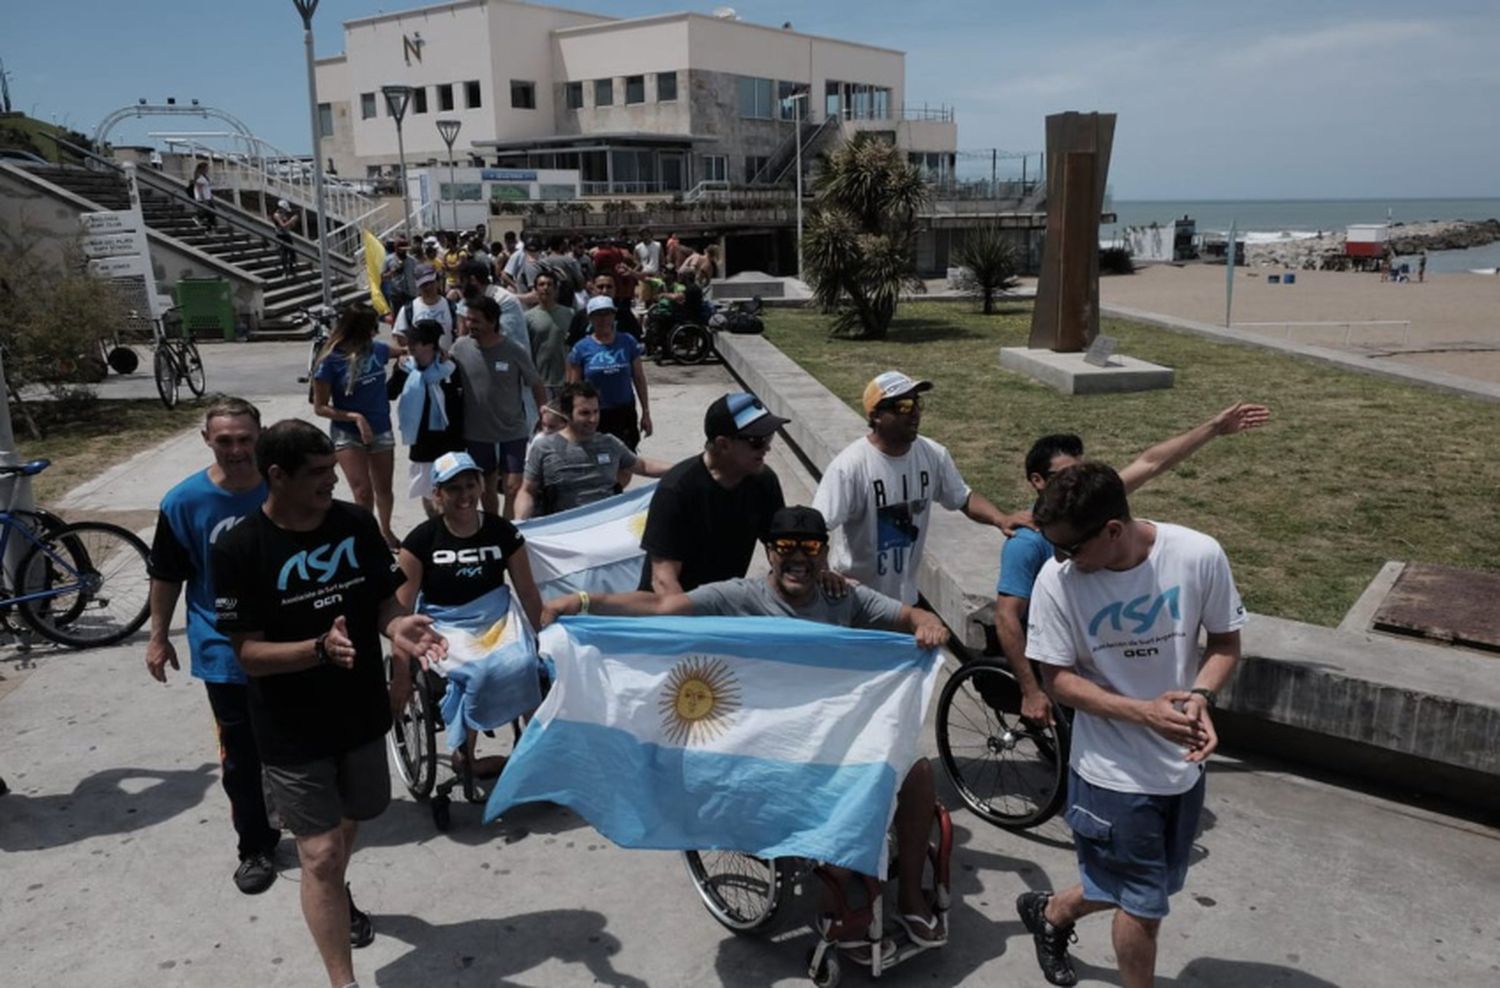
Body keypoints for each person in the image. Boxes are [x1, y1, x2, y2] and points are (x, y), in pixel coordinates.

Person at [543, 505, 951, 954]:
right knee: (840, 817)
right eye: (786, 548)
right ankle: (837, 899)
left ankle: (911, 894)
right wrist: (579, 602)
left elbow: (909, 616)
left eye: (811, 547)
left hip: (837, 737)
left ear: (824, 553)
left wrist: (926, 622)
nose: (799, 557)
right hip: (773, 746)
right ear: (769, 552)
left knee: (918, 775)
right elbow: (661, 604)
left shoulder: (843, 597)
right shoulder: (737, 596)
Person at [212, 419, 445, 988]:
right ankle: (344, 981)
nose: (333, 481)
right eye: (317, 474)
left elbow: (384, 606)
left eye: (331, 469)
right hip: (290, 727)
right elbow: (249, 655)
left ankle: (333, 882)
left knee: (347, 829)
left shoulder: (356, 524)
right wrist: (318, 649)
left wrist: (399, 630)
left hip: (360, 713)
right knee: (317, 854)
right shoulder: (241, 546)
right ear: (277, 476)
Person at [1016, 462, 1244, 988]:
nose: (1060, 559)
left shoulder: (1197, 555)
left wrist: (1201, 697)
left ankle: (1050, 913)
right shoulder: (1058, 581)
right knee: (1143, 905)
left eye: (1070, 547)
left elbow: (1226, 645)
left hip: (1181, 769)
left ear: (1113, 530)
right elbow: (1059, 680)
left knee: (1137, 885)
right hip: (1110, 774)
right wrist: (1144, 713)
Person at [997, 403, 1271, 724]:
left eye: (1078, 470)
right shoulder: (1029, 543)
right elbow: (1006, 616)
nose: (1062, 558)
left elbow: (1151, 462)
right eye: (1063, 475)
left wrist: (1213, 428)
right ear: (1037, 481)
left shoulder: (1091, 505)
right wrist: (1031, 690)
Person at [146, 398, 279, 894]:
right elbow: (167, 574)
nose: (237, 449)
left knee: (298, 744)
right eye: (225, 440)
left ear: (259, 436)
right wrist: (158, 638)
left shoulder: (281, 484)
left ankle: (312, 825)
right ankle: (256, 847)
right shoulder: (183, 503)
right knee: (241, 757)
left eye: (245, 439)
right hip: (223, 651)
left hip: (292, 643)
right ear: (207, 441)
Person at [812, 370, 1031, 605]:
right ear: (876, 416)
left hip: (905, 601)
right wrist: (824, 571)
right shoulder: (850, 467)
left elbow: (963, 497)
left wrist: (1001, 519)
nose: (915, 413)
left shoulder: (933, 455)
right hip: (855, 601)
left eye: (917, 403)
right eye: (904, 406)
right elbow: (815, 525)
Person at [396, 450, 544, 779]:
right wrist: (401, 668)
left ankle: (535, 753)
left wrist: (543, 637)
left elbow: (528, 591)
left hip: (497, 616)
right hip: (446, 622)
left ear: (480, 486)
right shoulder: (421, 541)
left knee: (526, 663)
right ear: (437, 493)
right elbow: (401, 610)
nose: (464, 496)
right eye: (454, 489)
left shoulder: (502, 531)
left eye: (470, 485)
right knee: (477, 672)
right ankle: (465, 754)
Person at [637, 392, 787, 594]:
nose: (767, 448)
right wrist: (696, 625)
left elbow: (781, 545)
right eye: (757, 442)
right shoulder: (677, 489)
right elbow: (663, 579)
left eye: (769, 437)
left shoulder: (764, 481)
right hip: (671, 608)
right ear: (723, 444)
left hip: (722, 604)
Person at [448, 295, 548, 519]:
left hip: (512, 430)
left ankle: (508, 527)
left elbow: (536, 383)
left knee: (513, 486)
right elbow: (442, 370)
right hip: (477, 432)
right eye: (468, 320)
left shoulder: (514, 349)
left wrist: (543, 412)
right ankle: (493, 526)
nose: (469, 325)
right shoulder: (460, 348)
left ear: (492, 321)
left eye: (475, 321)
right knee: (486, 487)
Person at [311, 305, 401, 550]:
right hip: (347, 432)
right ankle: (366, 536)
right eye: (373, 327)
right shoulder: (330, 360)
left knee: (384, 488)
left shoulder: (377, 350)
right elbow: (319, 407)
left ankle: (385, 530)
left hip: (380, 428)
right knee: (362, 491)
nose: (376, 332)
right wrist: (354, 417)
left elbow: (405, 352)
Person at [514, 382, 671, 520]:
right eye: (585, 413)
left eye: (596, 411)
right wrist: (522, 523)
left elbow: (643, 466)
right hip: (562, 530)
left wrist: (688, 466)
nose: (593, 419)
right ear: (567, 414)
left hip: (606, 524)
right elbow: (527, 491)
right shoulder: (544, 447)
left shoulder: (609, 443)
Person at [386, 319, 465, 515]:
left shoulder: (451, 368)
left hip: (449, 440)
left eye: (415, 342)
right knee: (427, 491)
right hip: (421, 440)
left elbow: (461, 403)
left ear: (430, 344)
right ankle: (434, 525)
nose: (409, 346)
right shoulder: (406, 368)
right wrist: (399, 370)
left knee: (450, 488)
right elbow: (389, 393)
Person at [565, 296, 651, 451]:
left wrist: (646, 412)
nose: (603, 319)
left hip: (624, 411)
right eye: (598, 314)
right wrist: (572, 418)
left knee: (625, 460)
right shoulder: (581, 348)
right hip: (595, 415)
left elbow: (638, 378)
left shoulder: (627, 342)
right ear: (590, 318)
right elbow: (574, 387)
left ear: (613, 315)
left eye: (607, 314)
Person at [524, 269, 572, 400]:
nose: (546, 288)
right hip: (539, 383)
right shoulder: (527, 318)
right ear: (535, 289)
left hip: (566, 381)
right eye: (541, 284)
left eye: (550, 284)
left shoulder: (570, 314)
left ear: (556, 289)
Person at [392, 264, 459, 353]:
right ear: (418, 286)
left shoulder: (452, 307)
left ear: (438, 282)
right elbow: (399, 340)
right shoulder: (408, 309)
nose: (428, 287)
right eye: (424, 284)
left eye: (431, 282)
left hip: (447, 362)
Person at [566, 272, 642, 347]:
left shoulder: (625, 316)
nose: (605, 291)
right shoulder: (581, 316)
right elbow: (572, 346)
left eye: (609, 287)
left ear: (615, 290)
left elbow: (636, 344)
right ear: (592, 289)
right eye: (600, 287)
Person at [383, 238, 418, 316]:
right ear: (396, 249)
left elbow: (417, 275)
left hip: (410, 293)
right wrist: (393, 272)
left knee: (411, 315)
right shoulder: (389, 260)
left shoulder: (412, 260)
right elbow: (383, 277)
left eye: (406, 250)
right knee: (398, 316)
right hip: (396, 294)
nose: (405, 251)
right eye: (402, 250)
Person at [272, 199, 298, 279]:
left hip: (287, 234)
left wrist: (293, 222)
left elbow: (289, 226)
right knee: (284, 253)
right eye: (284, 210)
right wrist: (291, 220)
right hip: (280, 235)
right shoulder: (276, 215)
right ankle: (285, 271)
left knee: (292, 252)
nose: (285, 212)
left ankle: (292, 269)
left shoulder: (284, 215)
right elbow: (282, 225)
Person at [191, 160, 216, 230]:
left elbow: (207, 188)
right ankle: (198, 218)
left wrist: (211, 196)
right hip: (203, 198)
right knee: (208, 213)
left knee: (212, 214)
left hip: (208, 197)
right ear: (202, 169)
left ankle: (209, 228)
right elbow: (199, 189)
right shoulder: (199, 178)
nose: (207, 170)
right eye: (206, 168)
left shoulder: (205, 177)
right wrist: (203, 199)